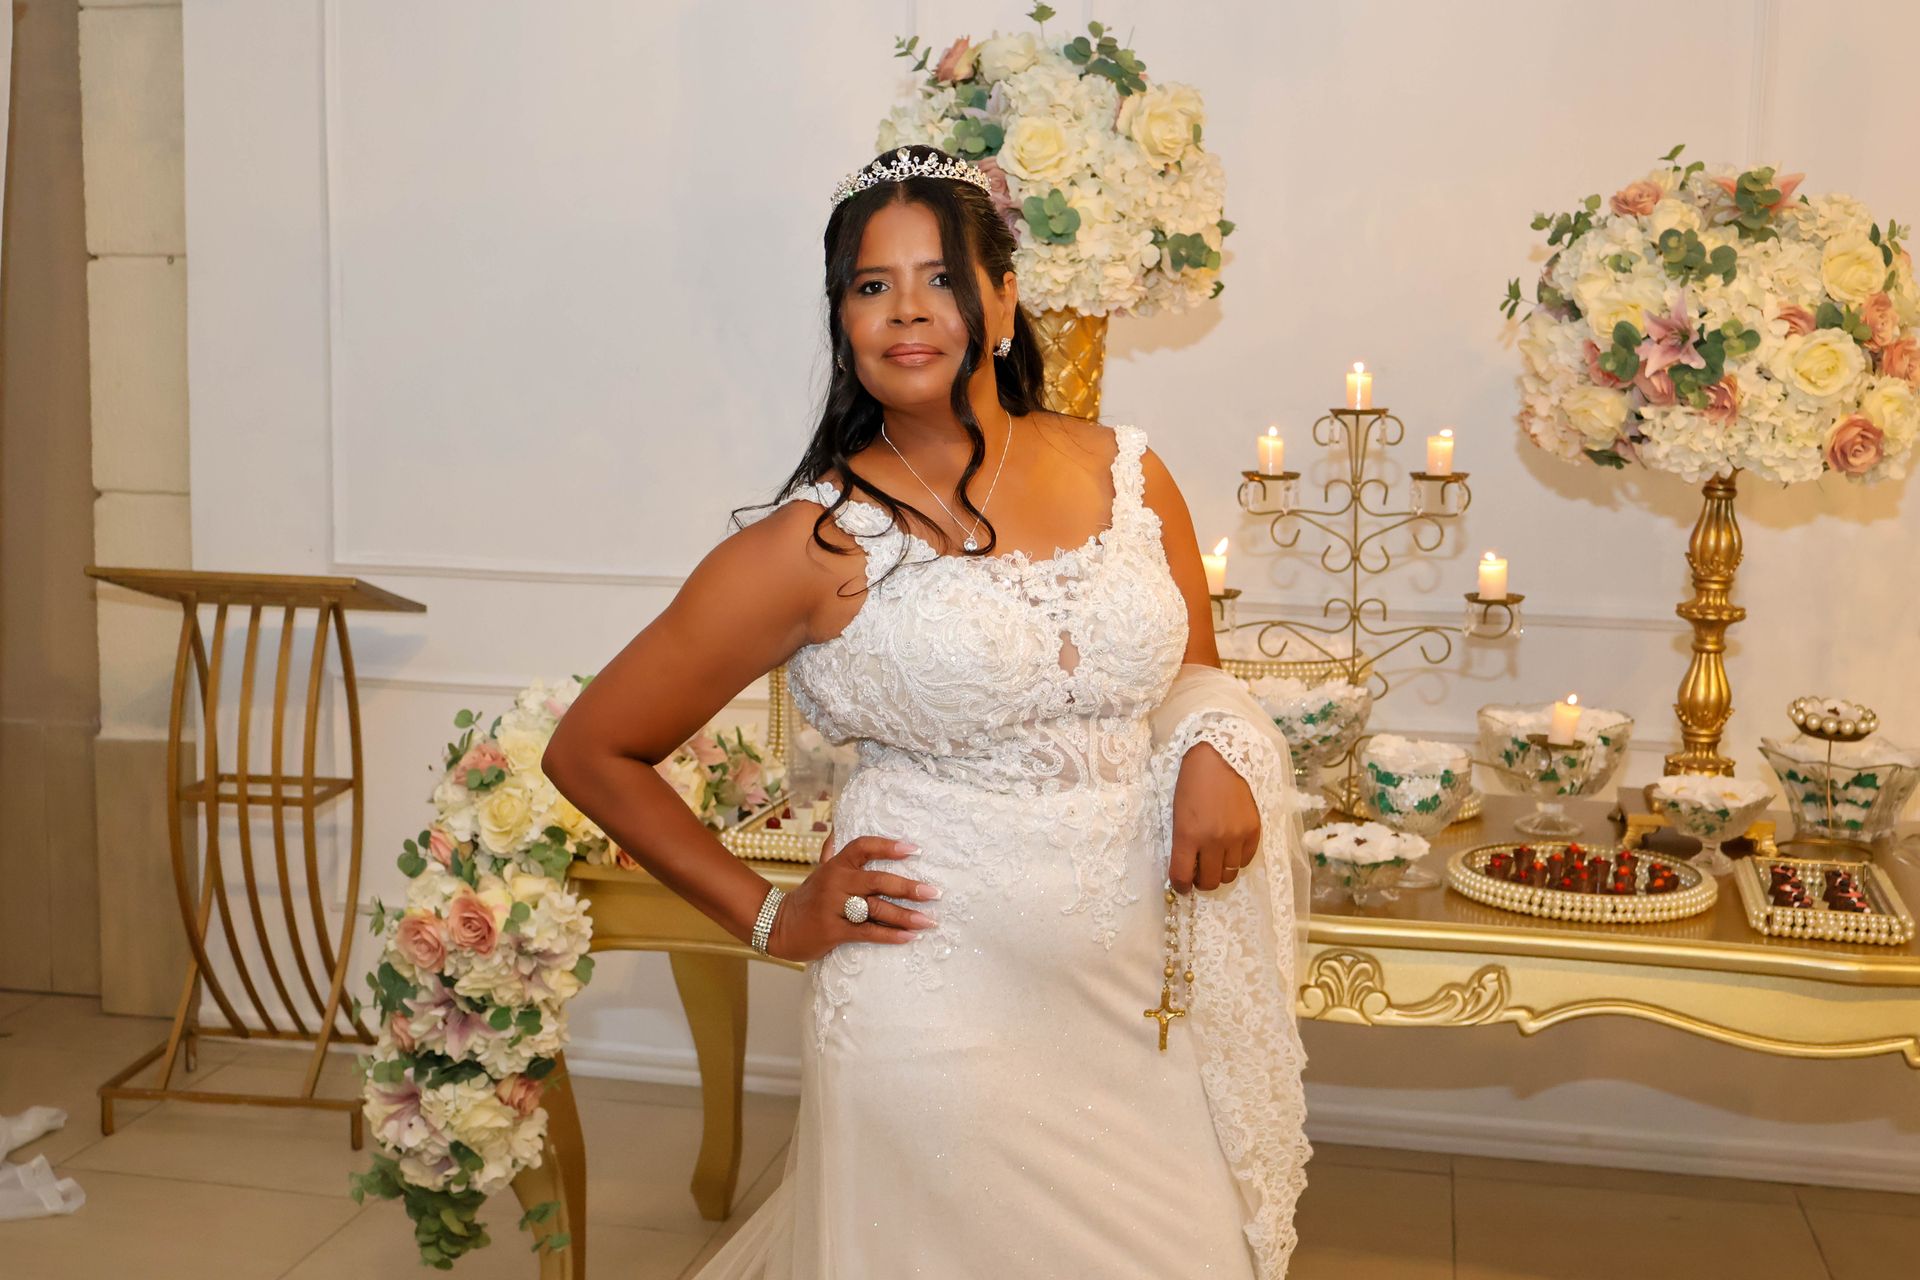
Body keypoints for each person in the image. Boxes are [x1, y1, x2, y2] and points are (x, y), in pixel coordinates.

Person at [541, 144, 1311, 1279]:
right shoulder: (814, 543)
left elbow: (1193, 671)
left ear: (1003, 298)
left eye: (941, 277)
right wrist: (770, 917)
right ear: (842, 318)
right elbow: (591, 748)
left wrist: (1220, 747)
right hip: (930, 1003)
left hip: (1135, 994)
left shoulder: (1128, 475)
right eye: (870, 284)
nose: (908, 309)